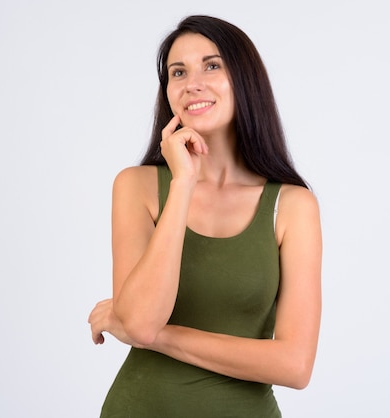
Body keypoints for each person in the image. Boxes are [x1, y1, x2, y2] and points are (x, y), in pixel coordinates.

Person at [88, 15, 322, 417]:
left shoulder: (292, 205)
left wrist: (156, 336)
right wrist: (183, 183)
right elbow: (141, 322)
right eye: (178, 72)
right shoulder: (137, 187)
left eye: (212, 65)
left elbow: (295, 365)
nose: (192, 83)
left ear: (245, 80)